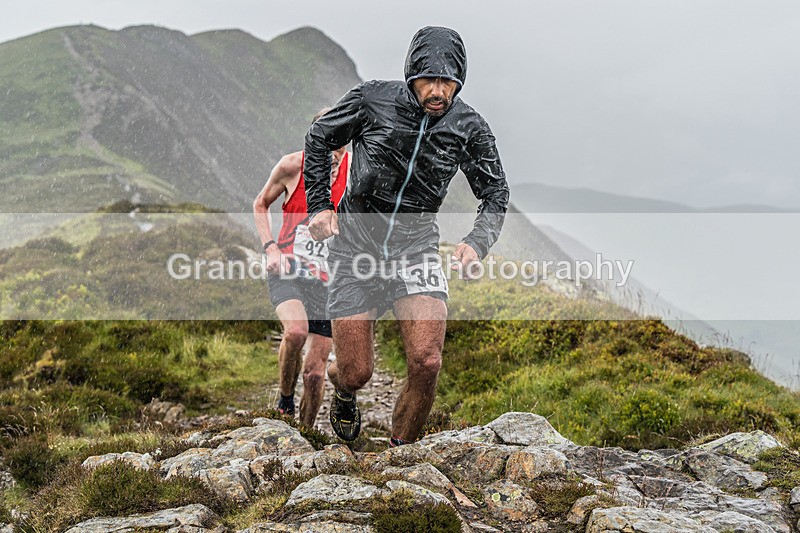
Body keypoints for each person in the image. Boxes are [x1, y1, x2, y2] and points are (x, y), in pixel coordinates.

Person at [303, 27, 510, 445]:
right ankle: (342, 389)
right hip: (355, 247)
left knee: (427, 360)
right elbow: (319, 137)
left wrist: (477, 241)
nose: (437, 91)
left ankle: (400, 456)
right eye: (427, 80)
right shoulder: (372, 101)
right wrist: (320, 205)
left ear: (460, 79)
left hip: (415, 249)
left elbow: (495, 192)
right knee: (357, 371)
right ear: (411, 75)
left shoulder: (468, 127)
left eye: (447, 81)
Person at [253, 108, 349, 427]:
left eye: (341, 145)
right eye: (329, 143)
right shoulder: (292, 166)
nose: (335, 154)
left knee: (314, 373)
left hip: (330, 283)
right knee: (295, 332)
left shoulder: (355, 175)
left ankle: (306, 435)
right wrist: (270, 248)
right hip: (289, 270)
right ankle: (284, 400)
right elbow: (260, 203)